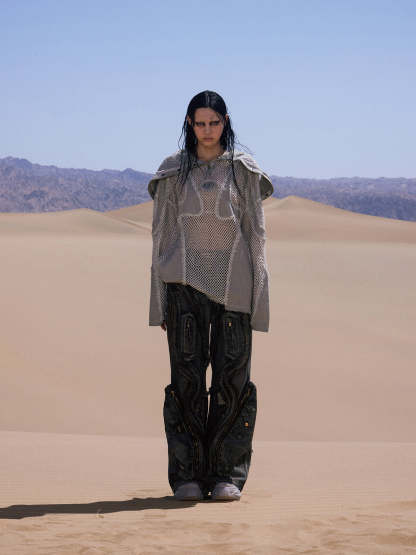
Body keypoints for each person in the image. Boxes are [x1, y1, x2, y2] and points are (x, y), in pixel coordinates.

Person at [147, 90, 273, 502]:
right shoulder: (173, 171)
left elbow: (256, 234)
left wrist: (259, 297)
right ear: (189, 123)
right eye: (200, 123)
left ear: (225, 122)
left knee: (232, 380)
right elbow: (160, 235)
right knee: (185, 380)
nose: (207, 130)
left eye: (214, 123)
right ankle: (187, 476)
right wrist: (159, 301)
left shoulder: (243, 171)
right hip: (183, 285)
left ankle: (226, 476)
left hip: (235, 284)